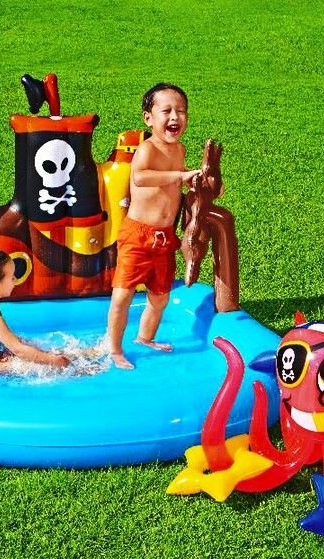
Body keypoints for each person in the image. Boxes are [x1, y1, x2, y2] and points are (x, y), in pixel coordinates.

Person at [107, 83, 202, 369]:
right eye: (167, 111)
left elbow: (177, 183)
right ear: (148, 118)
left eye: (181, 111)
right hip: (138, 234)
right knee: (122, 295)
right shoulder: (147, 148)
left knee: (160, 296)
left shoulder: (179, 149)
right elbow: (141, 177)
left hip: (164, 237)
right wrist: (179, 176)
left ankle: (144, 338)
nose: (175, 117)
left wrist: (196, 182)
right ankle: (114, 350)